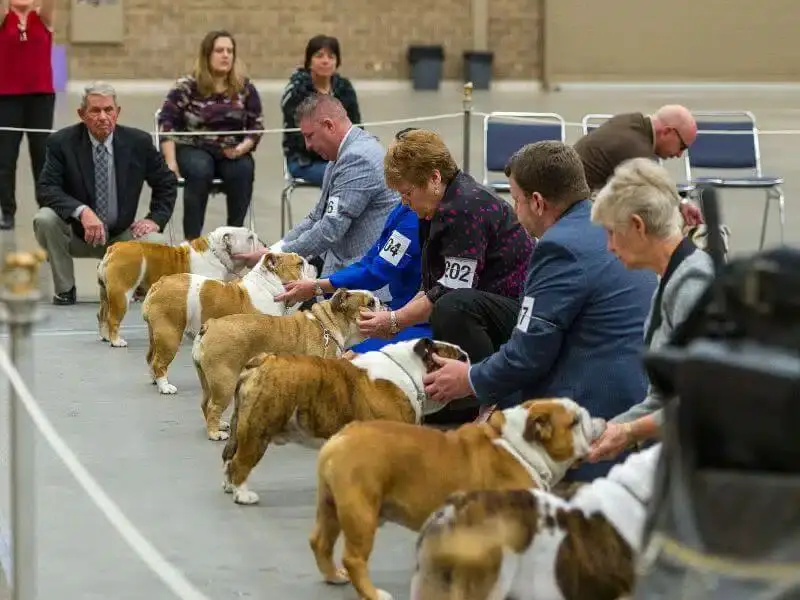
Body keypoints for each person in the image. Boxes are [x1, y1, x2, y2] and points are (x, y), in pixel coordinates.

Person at [422, 141, 658, 479]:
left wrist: (469, 379)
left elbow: (527, 356)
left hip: (597, 409)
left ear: (537, 202)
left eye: (516, 200)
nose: (514, 211)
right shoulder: (610, 225)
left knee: (467, 460)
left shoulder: (558, 247)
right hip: (638, 392)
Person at [358, 128, 533, 419]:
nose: (404, 202)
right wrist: (395, 319)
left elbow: (450, 290)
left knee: (452, 307)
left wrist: (393, 321)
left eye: (407, 193)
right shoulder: (438, 205)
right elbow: (433, 284)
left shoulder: (464, 208)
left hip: (518, 315)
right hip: (492, 307)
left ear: (434, 178)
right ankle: (459, 397)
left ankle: (489, 398)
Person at [586, 158, 715, 463]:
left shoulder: (692, 285)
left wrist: (629, 432)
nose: (608, 247)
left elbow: (705, 399)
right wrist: (607, 431)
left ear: (637, 226)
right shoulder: (672, 279)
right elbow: (663, 396)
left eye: (611, 232)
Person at [34, 82, 177, 306]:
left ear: (117, 112)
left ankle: (138, 285)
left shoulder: (138, 142)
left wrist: (155, 219)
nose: (103, 117)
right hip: (77, 235)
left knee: (158, 241)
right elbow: (46, 188)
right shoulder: (61, 143)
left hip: (121, 236)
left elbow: (166, 182)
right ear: (82, 114)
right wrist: (81, 212)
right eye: (95, 110)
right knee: (45, 218)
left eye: (108, 110)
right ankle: (65, 290)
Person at [259, 93, 396, 278]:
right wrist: (274, 249)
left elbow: (330, 230)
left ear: (329, 125)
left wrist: (275, 257)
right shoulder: (341, 154)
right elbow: (317, 217)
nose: (307, 145)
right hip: (341, 262)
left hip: (362, 277)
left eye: (310, 136)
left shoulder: (358, 158)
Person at [274, 198, 428, 353]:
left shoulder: (411, 219)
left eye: (407, 191)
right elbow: (372, 259)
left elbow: (377, 271)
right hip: (397, 304)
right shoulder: (404, 207)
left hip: (417, 316)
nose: (401, 197)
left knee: (352, 358)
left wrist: (317, 287)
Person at [157, 30, 264, 240]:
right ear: (207, 55)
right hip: (193, 146)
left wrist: (242, 148)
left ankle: (234, 240)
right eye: (219, 50)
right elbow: (166, 123)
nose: (225, 55)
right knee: (200, 169)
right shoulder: (186, 86)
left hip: (231, 149)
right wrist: (170, 162)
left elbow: (256, 125)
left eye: (230, 51)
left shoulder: (245, 88)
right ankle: (192, 242)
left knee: (242, 170)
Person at [573, 104, 705, 227]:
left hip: (572, 199)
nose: (679, 154)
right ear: (666, 132)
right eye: (682, 146)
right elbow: (658, 197)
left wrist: (681, 203)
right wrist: (681, 208)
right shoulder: (636, 148)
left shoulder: (632, 121)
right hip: (576, 211)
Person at [0, 0, 55, 231]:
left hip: (40, 98)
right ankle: (7, 211)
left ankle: (45, 212)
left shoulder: (43, 18)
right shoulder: (4, 18)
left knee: (42, 157)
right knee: (5, 158)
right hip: (7, 97)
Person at [281, 34, 361, 186]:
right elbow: (298, 138)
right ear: (309, 61)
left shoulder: (345, 89)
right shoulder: (296, 91)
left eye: (331, 56)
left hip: (341, 158)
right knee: (345, 177)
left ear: (337, 62)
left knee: (370, 172)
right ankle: (333, 210)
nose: (325, 61)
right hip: (305, 161)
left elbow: (357, 128)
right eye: (319, 56)